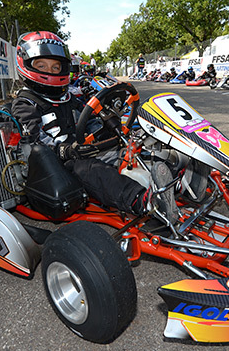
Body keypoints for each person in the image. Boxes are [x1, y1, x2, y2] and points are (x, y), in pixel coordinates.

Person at [11, 31, 176, 221]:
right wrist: (65, 151)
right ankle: (143, 201)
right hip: (57, 163)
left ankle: (173, 179)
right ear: (26, 65)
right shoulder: (25, 103)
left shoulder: (68, 98)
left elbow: (88, 120)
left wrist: (106, 127)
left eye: (56, 67)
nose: (50, 71)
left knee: (131, 147)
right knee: (90, 170)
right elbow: (34, 141)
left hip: (83, 148)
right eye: (42, 65)